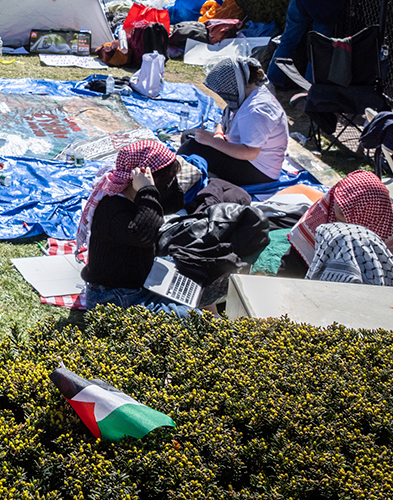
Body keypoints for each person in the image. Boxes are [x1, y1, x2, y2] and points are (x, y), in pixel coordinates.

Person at [74, 140, 193, 318]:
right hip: (112, 297)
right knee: (193, 318)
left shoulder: (136, 197)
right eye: (165, 181)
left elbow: (174, 203)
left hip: (136, 286)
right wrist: (147, 190)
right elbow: (145, 235)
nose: (168, 186)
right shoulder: (112, 208)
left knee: (199, 287)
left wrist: (156, 185)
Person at [280, 170, 393, 277]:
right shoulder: (326, 209)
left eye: (345, 210)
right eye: (338, 201)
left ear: (365, 218)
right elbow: (293, 262)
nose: (336, 207)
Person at [179, 56, 288, 187]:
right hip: (243, 153)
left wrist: (212, 142)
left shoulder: (256, 111)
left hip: (259, 171)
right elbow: (224, 121)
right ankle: (208, 171)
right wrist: (218, 136)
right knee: (190, 135)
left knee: (191, 147)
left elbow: (251, 153)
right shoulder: (247, 94)